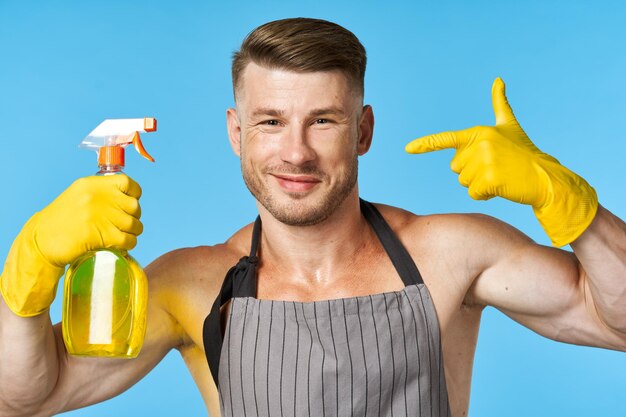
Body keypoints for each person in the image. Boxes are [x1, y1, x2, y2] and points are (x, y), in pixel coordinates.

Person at [1, 17, 625, 417]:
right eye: (271, 121)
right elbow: (28, 397)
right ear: (236, 132)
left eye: (322, 120)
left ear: (363, 131)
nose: (295, 151)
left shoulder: (450, 253)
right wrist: (28, 270)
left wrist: (569, 201)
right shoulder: (188, 285)